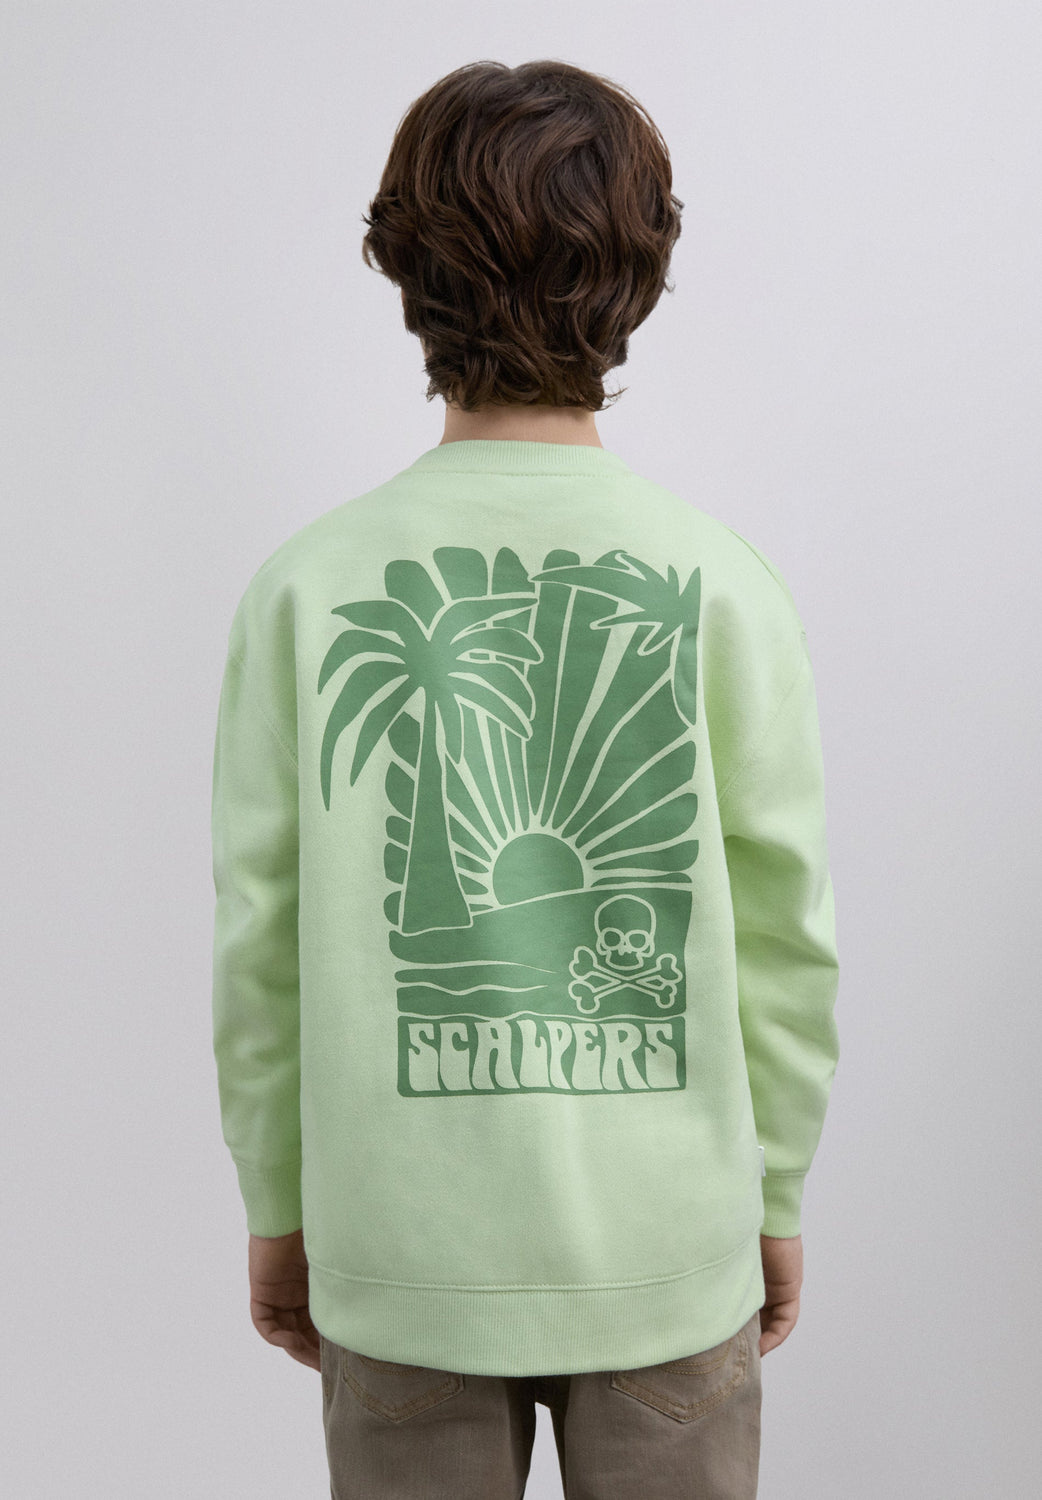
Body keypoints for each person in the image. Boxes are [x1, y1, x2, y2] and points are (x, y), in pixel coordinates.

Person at [210, 58, 840, 1499]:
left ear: (401, 269)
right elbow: (786, 936)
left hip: (397, 1258)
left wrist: (278, 1202)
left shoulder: (305, 589)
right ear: (640, 275)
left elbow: (260, 942)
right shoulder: (724, 584)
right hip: (670, 1251)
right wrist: (774, 1194)